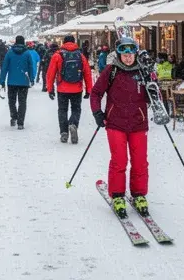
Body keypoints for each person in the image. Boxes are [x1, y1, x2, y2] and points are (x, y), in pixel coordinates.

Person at [90, 37, 151, 218]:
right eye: (124, 55)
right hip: (115, 122)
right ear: (119, 55)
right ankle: (117, 195)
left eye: (131, 54)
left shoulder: (143, 72)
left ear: (135, 54)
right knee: (119, 160)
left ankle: (139, 194)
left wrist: (153, 87)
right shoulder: (111, 71)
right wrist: (97, 113)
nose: (128, 58)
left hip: (138, 123)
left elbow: (154, 97)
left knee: (140, 161)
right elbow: (96, 93)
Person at [46, 35, 95, 144]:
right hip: (77, 88)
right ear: (74, 42)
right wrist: (89, 90)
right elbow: (87, 73)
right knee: (76, 109)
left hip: (62, 88)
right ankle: (73, 124)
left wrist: (50, 89)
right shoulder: (80, 55)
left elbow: (50, 74)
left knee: (62, 110)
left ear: (63, 42)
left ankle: (64, 132)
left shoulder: (57, 55)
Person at [0, 35, 37, 130]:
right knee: (22, 102)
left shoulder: (10, 53)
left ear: (15, 42)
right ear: (23, 42)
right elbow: (31, 66)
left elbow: (4, 68)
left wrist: (2, 80)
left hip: (11, 81)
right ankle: (20, 122)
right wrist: (32, 78)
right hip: (24, 81)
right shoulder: (27, 53)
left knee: (11, 101)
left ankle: (14, 116)